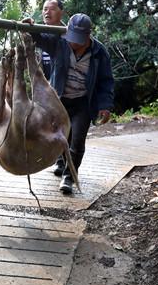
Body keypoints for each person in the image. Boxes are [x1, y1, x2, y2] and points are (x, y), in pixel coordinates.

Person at [27, 13, 114, 194]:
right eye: (71, 38)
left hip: (83, 102)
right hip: (60, 101)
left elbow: (106, 81)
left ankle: (69, 176)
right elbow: (40, 40)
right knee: (62, 137)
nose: (73, 43)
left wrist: (105, 106)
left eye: (78, 40)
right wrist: (31, 27)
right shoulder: (60, 44)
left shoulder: (99, 53)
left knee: (77, 140)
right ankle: (61, 162)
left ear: (88, 36)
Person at [23, 0, 66, 79]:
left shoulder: (68, 35)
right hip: (43, 85)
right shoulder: (38, 33)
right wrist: (29, 28)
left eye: (52, 9)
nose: (47, 12)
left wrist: (32, 31)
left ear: (61, 13)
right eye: (45, 9)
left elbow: (44, 40)